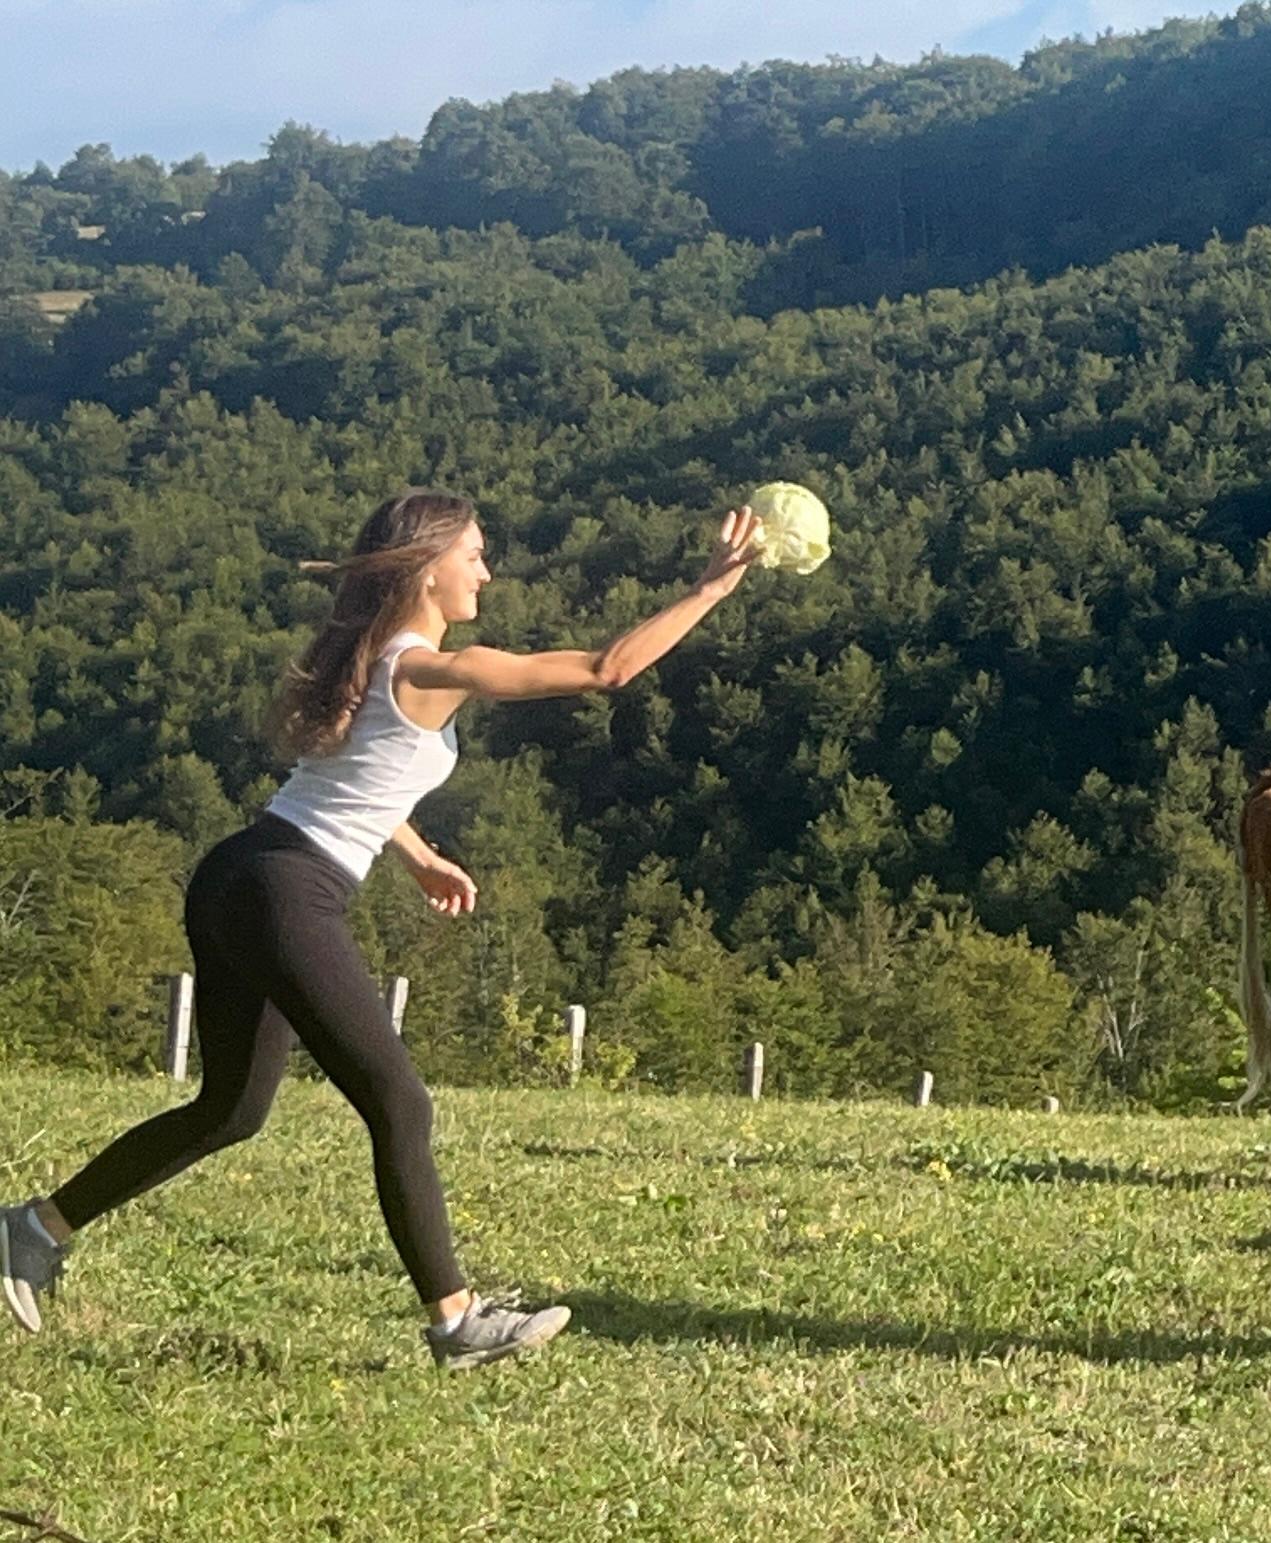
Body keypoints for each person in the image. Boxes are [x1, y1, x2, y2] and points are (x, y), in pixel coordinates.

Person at [1, 489, 761, 1369]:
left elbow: (355, 781)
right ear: (427, 568)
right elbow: (605, 669)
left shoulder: (378, 662)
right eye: (473, 555)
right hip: (285, 889)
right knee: (398, 1100)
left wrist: (417, 853)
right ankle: (457, 1320)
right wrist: (710, 589)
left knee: (232, 1108)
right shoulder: (427, 668)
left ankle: (32, 1229)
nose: (486, 570)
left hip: (247, 871)